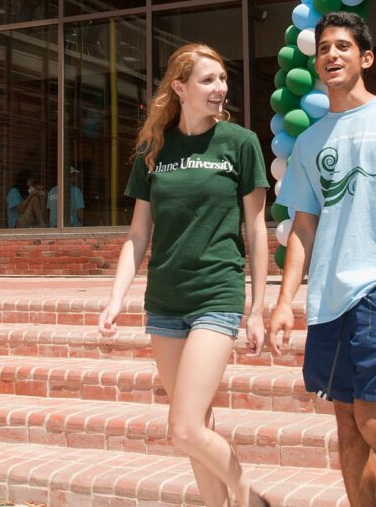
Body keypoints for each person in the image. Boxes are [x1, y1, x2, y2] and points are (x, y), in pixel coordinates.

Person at [268, 12, 376, 507]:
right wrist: (285, 302)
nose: (331, 55)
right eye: (324, 47)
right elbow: (304, 226)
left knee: (373, 420)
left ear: (365, 58)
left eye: (343, 46)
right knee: (348, 425)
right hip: (328, 298)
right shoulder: (310, 141)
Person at [97, 43, 270, 507]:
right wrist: (117, 297)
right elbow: (138, 234)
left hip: (217, 291)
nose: (221, 89)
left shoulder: (240, 143)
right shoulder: (155, 149)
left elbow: (255, 228)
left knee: (184, 427)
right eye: (208, 80)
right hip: (166, 302)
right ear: (180, 87)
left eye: (222, 79)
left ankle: (250, 498)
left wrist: (258, 307)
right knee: (200, 425)